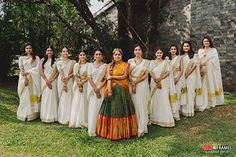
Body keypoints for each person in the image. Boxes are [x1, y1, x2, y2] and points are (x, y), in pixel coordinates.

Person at [96, 48, 138, 140]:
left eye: (119, 54)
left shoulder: (126, 65)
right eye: (115, 55)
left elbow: (124, 76)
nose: (117, 56)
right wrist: (110, 90)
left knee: (122, 110)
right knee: (112, 110)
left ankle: (123, 132)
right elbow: (108, 78)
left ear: (121, 56)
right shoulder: (109, 65)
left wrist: (111, 76)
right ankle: (110, 132)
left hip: (123, 90)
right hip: (111, 89)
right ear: (113, 56)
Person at [149, 48, 175, 127]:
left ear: (162, 54)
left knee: (163, 99)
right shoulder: (152, 62)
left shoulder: (166, 62)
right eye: (157, 53)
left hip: (163, 82)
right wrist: (156, 80)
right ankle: (154, 119)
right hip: (154, 82)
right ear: (155, 54)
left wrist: (160, 79)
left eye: (160, 53)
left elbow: (168, 72)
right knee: (155, 100)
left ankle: (165, 119)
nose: (159, 54)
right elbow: (150, 71)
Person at [128, 44, 149, 137]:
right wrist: (133, 82)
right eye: (136, 50)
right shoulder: (130, 61)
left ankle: (142, 126)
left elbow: (146, 75)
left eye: (139, 49)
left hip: (142, 84)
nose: (137, 51)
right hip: (131, 83)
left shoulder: (146, 62)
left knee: (141, 103)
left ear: (142, 51)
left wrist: (136, 82)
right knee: (133, 103)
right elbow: (127, 73)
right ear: (133, 51)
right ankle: (133, 126)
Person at [198, 36, 224, 109]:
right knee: (203, 86)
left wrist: (206, 63)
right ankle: (203, 101)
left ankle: (212, 101)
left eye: (207, 41)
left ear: (210, 42)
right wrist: (200, 66)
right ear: (202, 43)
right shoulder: (200, 51)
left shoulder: (213, 50)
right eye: (204, 41)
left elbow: (215, 61)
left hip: (210, 72)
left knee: (210, 85)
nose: (206, 42)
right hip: (202, 71)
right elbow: (198, 60)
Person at [17, 43, 41, 121]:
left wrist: (29, 73)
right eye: (27, 48)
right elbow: (21, 68)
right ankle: (23, 113)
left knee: (32, 95)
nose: (28, 49)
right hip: (23, 78)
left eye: (30, 48)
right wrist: (25, 77)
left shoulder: (36, 58)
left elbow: (37, 68)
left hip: (33, 78)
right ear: (24, 49)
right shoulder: (21, 58)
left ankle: (32, 114)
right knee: (24, 96)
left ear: (32, 49)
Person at [87, 50, 107, 136]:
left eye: (99, 54)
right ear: (94, 56)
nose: (98, 56)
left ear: (102, 56)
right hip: (92, 90)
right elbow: (89, 77)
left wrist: (99, 88)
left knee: (100, 108)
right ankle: (92, 129)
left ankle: (100, 129)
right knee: (93, 108)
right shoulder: (90, 65)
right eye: (96, 54)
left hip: (101, 89)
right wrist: (95, 89)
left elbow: (106, 79)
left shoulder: (105, 66)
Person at [69, 50, 89, 128]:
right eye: (81, 55)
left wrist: (82, 83)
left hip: (86, 84)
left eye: (84, 55)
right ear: (79, 56)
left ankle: (84, 120)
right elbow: (75, 75)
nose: (82, 56)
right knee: (77, 101)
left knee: (84, 101)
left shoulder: (89, 65)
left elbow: (89, 76)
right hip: (77, 84)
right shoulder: (76, 65)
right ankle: (76, 120)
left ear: (86, 56)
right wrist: (79, 85)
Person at [180, 41, 200, 116]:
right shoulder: (181, 56)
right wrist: (183, 75)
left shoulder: (194, 56)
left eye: (187, 46)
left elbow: (194, 66)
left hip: (191, 76)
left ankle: (190, 110)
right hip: (183, 76)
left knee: (190, 92)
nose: (186, 47)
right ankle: (184, 110)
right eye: (184, 46)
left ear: (190, 47)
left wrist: (187, 74)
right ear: (182, 47)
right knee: (184, 92)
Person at [57, 47, 76, 124]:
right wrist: (64, 82)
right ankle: (61, 117)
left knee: (69, 98)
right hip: (61, 81)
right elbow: (60, 72)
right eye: (63, 51)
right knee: (62, 98)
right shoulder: (58, 62)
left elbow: (74, 72)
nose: (65, 52)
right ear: (61, 53)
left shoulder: (73, 62)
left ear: (68, 52)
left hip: (70, 81)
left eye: (66, 51)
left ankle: (69, 118)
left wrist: (68, 77)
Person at [40, 47, 58, 123]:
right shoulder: (42, 60)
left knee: (52, 97)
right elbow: (41, 72)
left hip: (53, 80)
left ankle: (52, 116)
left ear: (53, 52)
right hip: (44, 80)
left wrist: (51, 80)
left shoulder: (56, 61)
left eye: (51, 50)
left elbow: (57, 72)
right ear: (45, 52)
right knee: (45, 97)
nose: (49, 51)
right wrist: (46, 80)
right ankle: (44, 115)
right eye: (47, 50)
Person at [169, 45, 183, 120]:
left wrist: (177, 78)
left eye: (174, 49)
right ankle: (172, 112)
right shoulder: (167, 60)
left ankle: (177, 112)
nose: (173, 50)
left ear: (176, 50)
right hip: (170, 79)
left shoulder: (180, 58)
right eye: (172, 49)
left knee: (177, 94)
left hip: (178, 78)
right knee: (171, 95)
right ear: (169, 50)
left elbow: (181, 70)